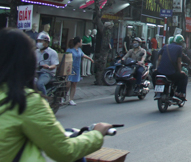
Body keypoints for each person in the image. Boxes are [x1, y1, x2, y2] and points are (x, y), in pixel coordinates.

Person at [0, 28, 113, 161]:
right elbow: (65, 151)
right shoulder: (26, 101)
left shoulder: (53, 53)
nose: (40, 43)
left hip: (49, 74)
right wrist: (97, 134)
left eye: (41, 41)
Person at [156, 34, 188, 99]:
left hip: (160, 71)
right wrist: (180, 71)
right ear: (180, 42)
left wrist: (157, 69)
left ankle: (157, 91)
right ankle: (179, 93)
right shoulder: (179, 48)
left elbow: (159, 59)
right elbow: (179, 61)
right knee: (184, 76)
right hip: (171, 73)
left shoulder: (165, 46)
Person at [66, 37, 93, 106]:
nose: (81, 43)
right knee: (68, 84)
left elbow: (83, 55)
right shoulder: (70, 50)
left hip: (77, 69)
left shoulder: (79, 50)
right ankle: (64, 97)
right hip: (70, 68)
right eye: (81, 42)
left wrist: (90, 59)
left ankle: (71, 99)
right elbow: (66, 59)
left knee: (74, 84)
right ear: (78, 43)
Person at [35, 33, 59, 97]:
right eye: (38, 41)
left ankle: (45, 100)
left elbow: (54, 65)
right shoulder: (36, 52)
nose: (38, 43)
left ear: (46, 42)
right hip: (36, 72)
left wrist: (48, 67)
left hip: (47, 73)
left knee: (39, 84)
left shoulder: (52, 52)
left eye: (40, 41)